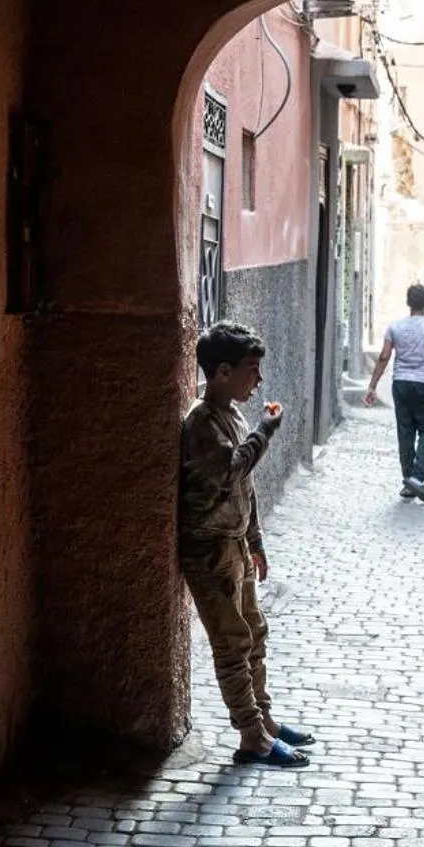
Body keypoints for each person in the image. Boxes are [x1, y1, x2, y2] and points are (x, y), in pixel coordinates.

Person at [179, 322, 315, 768]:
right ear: (222, 372)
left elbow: (247, 488)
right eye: (251, 369)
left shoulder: (233, 415)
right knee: (232, 642)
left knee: (254, 632)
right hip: (209, 549)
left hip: (234, 543)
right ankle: (251, 735)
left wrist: (254, 540)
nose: (258, 379)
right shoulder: (202, 422)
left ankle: (265, 719)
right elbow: (231, 471)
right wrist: (265, 432)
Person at [364, 282, 424, 503]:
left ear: (408, 303)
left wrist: (372, 386)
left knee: (405, 431)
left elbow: (384, 357)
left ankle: (408, 480)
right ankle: (417, 477)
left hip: (401, 384)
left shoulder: (395, 327)